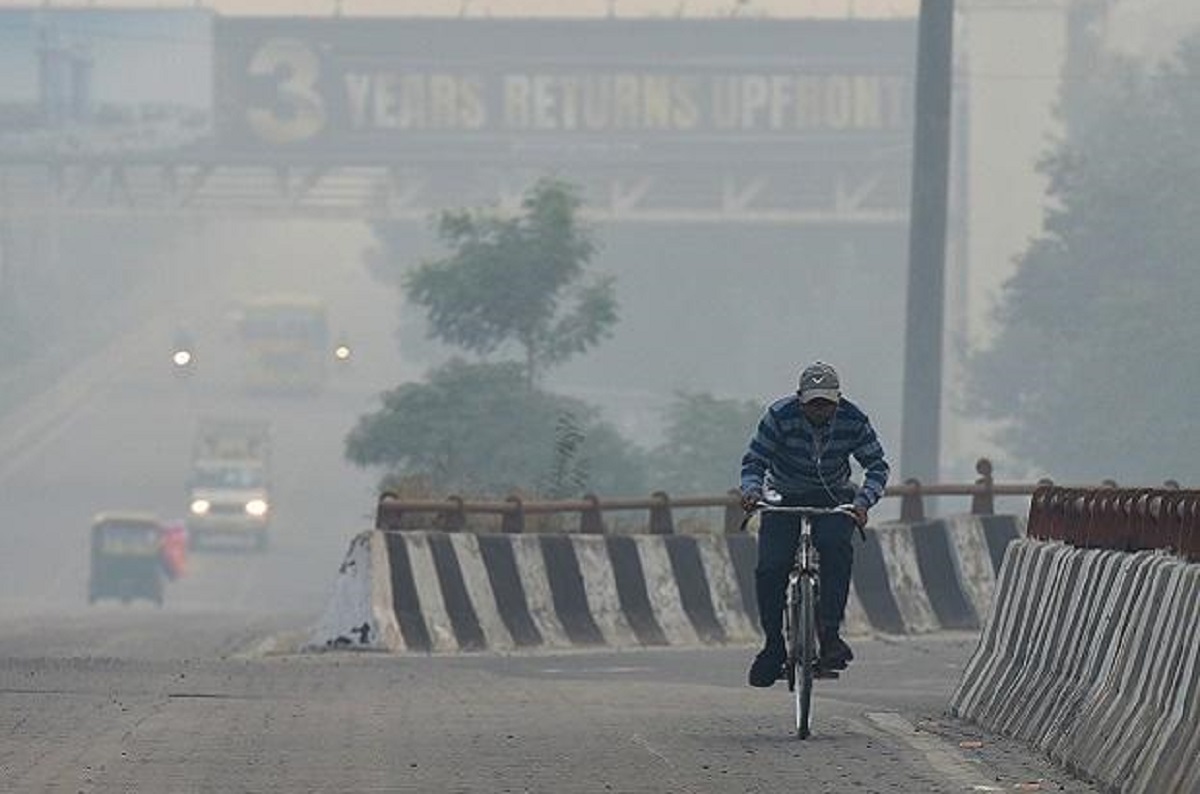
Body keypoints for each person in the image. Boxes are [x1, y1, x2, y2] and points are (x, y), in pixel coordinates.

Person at [740, 360, 890, 687]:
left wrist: (863, 503)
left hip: (834, 495)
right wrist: (752, 491)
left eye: (826, 403)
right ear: (800, 399)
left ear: (838, 399)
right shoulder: (779, 417)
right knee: (771, 566)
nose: (819, 410)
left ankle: (830, 633)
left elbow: (877, 466)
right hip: (783, 494)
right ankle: (773, 645)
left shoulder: (853, 420)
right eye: (813, 403)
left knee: (836, 548)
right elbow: (754, 461)